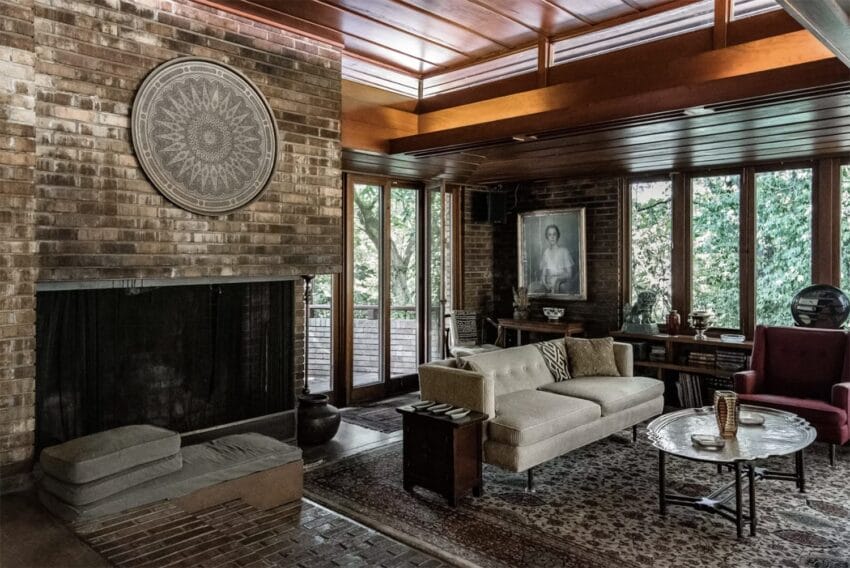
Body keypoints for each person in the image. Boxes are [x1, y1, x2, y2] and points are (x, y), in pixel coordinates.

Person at [537, 224, 575, 294]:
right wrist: (545, 284)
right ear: (547, 237)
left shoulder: (564, 251)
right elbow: (543, 274)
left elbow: (570, 274)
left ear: (558, 236)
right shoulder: (546, 252)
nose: (552, 237)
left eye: (554, 234)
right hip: (549, 285)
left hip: (562, 283)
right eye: (549, 235)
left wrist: (557, 278)